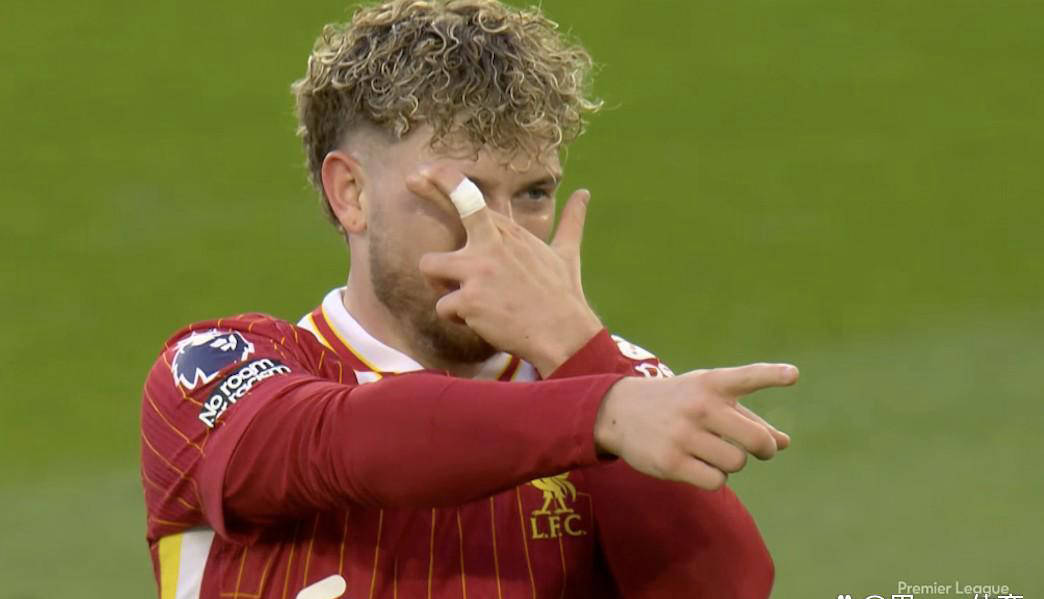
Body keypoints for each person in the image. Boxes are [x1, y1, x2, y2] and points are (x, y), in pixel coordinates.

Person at [140, 1, 799, 598]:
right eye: (465, 194)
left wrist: (581, 354)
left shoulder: (615, 381)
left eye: (535, 193)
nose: (503, 235)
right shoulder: (214, 367)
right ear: (352, 194)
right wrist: (600, 408)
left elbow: (727, 588)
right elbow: (345, 442)